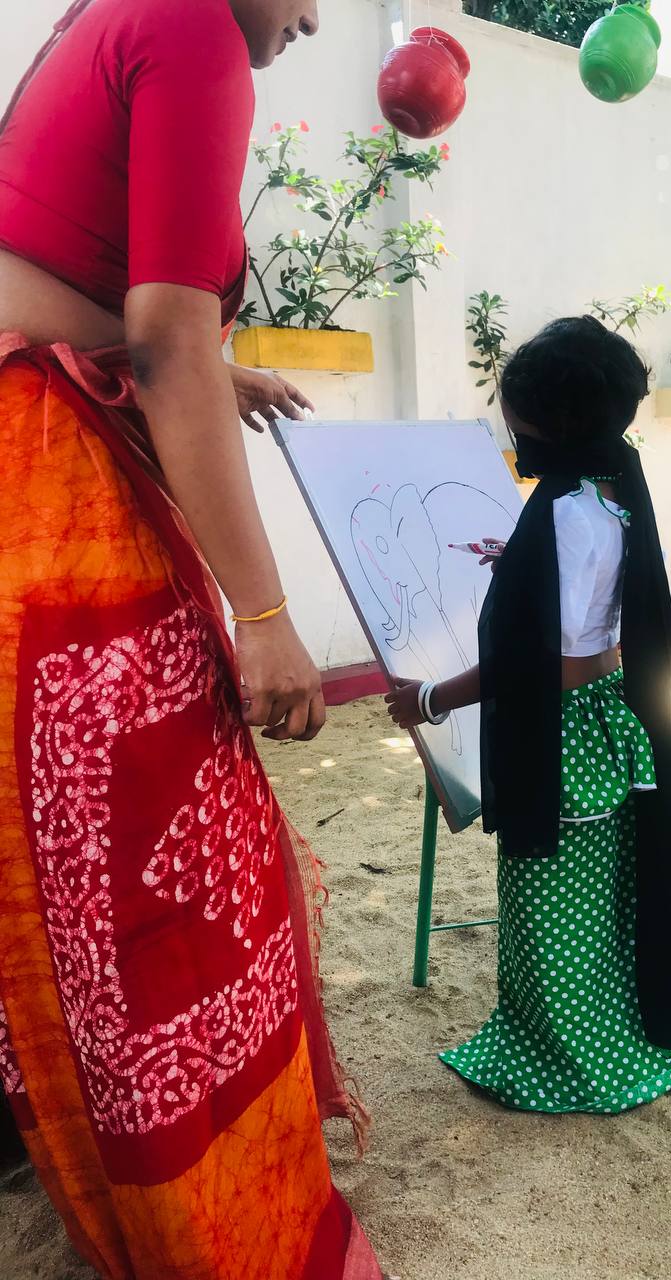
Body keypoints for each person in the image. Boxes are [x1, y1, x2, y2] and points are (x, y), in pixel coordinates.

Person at [0, 1, 381, 1275]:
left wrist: (223, 369)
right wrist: (266, 620)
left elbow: (126, 311)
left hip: (39, 435)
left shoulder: (110, 14)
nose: (315, 17)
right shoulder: (198, 25)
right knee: (161, 860)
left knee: (68, 871)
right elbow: (166, 337)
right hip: (42, 478)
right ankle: (214, 1230)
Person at [386, 316, 671, 1114]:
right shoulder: (610, 486)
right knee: (594, 903)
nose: (509, 423)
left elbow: (544, 665)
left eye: (514, 412)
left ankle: (568, 1060)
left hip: (566, 732)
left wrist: (429, 699)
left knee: (547, 909)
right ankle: (608, 1038)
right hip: (606, 718)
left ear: (553, 422)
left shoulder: (569, 516)